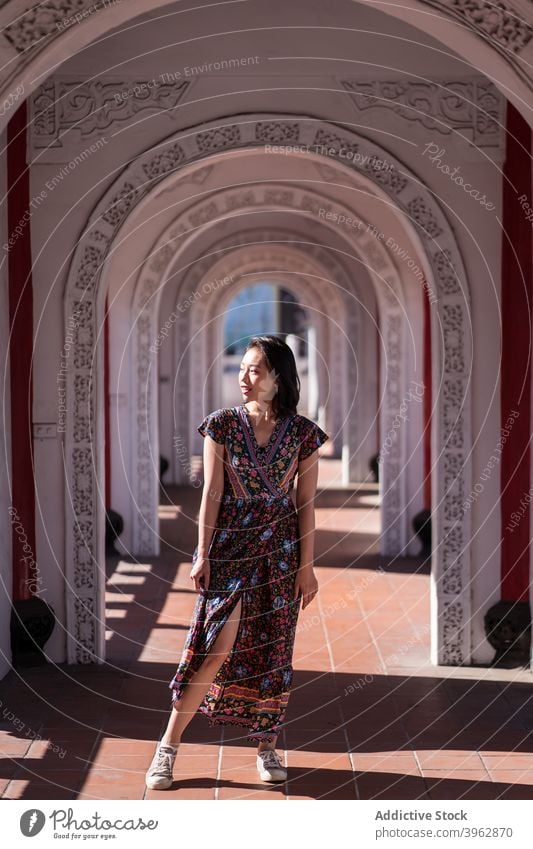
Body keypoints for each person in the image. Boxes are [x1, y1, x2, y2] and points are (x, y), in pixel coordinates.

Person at [145, 334, 329, 790]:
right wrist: (202, 552)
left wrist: (307, 567)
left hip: (280, 552)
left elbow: (305, 504)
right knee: (213, 647)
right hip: (230, 549)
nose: (244, 378)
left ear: (279, 378)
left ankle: (267, 746)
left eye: (255, 370)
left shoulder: (304, 434)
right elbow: (212, 492)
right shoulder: (222, 425)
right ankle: (166, 749)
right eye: (243, 368)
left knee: (272, 653)